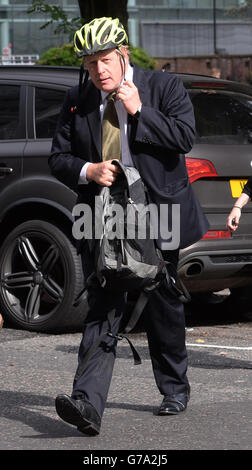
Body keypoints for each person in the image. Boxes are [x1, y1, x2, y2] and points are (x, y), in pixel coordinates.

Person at [49, 17, 209, 436]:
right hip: (103, 216)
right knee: (103, 301)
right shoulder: (77, 99)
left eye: (104, 60)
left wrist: (140, 111)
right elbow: (59, 158)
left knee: (162, 302)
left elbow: (184, 138)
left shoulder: (163, 87)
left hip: (157, 212)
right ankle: (86, 403)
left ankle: (174, 388)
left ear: (123, 55)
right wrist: (88, 169)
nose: (98, 70)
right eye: (90, 64)